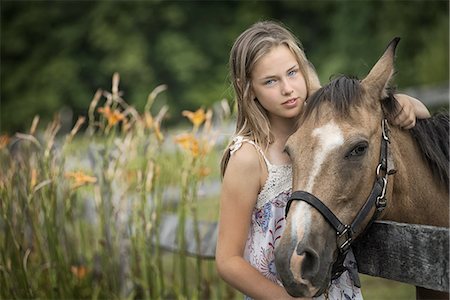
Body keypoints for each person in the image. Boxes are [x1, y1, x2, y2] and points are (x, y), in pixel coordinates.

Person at [215, 20, 431, 300]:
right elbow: (228, 261)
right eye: (270, 81)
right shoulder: (248, 157)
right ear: (248, 88)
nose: (288, 89)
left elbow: (405, 117)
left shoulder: (323, 129)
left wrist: (405, 103)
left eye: (292, 73)